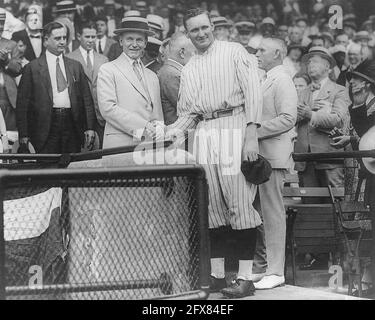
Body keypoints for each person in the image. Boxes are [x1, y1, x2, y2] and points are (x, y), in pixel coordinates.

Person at [166, 9, 262, 298]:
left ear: (213, 26)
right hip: (205, 130)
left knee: (241, 206)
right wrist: (166, 134)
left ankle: (246, 278)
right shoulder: (190, 67)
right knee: (214, 208)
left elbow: (253, 92)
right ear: (187, 33)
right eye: (194, 30)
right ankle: (218, 276)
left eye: (204, 27)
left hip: (235, 124)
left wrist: (252, 134)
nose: (201, 33)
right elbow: (187, 115)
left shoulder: (234, 51)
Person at [252, 37, 297, 289]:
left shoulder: (282, 79)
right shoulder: (266, 77)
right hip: (261, 157)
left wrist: (252, 131)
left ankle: (276, 270)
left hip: (273, 157)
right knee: (259, 214)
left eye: (262, 50)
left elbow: (288, 118)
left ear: (277, 54)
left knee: (272, 214)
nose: (257, 53)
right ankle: (263, 267)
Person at [16, 21, 96, 154]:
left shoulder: (75, 66)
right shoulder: (33, 68)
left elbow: (87, 99)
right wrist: (24, 135)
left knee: (71, 167)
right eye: (57, 38)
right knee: (47, 167)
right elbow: (22, 104)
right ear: (46, 41)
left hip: (72, 124)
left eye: (64, 38)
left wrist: (89, 127)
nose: (62, 42)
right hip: (45, 126)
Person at [330, 59, 375, 296]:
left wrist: (357, 107)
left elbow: (370, 133)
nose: (352, 83)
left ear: (367, 84)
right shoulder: (361, 105)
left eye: (356, 80)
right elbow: (368, 139)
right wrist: (351, 139)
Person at [97, 17, 164, 150]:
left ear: (145, 43)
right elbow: (108, 109)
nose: (134, 44)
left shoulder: (152, 76)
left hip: (149, 147)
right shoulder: (108, 69)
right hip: (120, 145)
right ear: (121, 41)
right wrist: (144, 127)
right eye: (129, 39)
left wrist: (160, 127)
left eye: (139, 40)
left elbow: (157, 114)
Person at [295, 46, 350, 191]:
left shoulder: (340, 90)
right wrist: (311, 110)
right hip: (305, 159)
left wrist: (310, 114)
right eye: (309, 62)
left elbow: (338, 120)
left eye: (316, 62)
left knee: (335, 205)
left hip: (330, 157)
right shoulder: (302, 92)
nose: (311, 65)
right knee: (309, 206)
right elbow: (291, 118)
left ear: (328, 67)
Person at [67, 22, 108, 149]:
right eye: (87, 37)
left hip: (101, 115)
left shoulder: (103, 59)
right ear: (79, 36)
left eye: (93, 37)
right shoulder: (69, 58)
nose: (91, 40)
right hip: (80, 115)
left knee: (101, 150)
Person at [157, 32, 195, 125]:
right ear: (182, 53)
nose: (195, 56)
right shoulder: (172, 75)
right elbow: (189, 108)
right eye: (193, 53)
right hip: (178, 134)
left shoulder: (171, 72)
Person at [0, 12, 21, 133]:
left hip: (7, 97)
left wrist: (7, 61)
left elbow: (18, 69)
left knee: (9, 134)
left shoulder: (11, 44)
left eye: (1, 26)